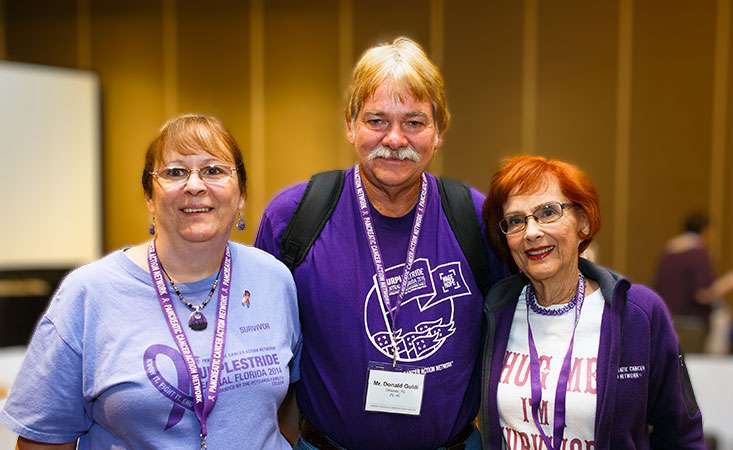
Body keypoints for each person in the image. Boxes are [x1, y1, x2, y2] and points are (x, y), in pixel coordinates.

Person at [255, 37, 508, 449]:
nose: (394, 138)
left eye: (414, 122)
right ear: (350, 124)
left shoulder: (476, 218)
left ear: (439, 131)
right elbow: (260, 351)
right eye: (376, 120)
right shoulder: (293, 217)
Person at [0, 114, 301, 449]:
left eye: (214, 170)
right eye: (175, 172)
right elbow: (43, 441)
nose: (195, 185)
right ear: (149, 197)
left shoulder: (274, 279)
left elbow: (286, 411)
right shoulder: (88, 294)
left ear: (241, 194)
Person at [480, 156, 704, 449]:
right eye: (516, 221)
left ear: (582, 222)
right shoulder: (495, 312)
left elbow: (681, 434)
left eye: (548, 212)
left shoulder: (638, 314)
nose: (531, 232)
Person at [653, 213, 715, 352]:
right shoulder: (698, 253)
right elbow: (702, 294)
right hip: (692, 323)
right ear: (706, 230)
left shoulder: (668, 253)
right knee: (691, 369)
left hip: (667, 320)